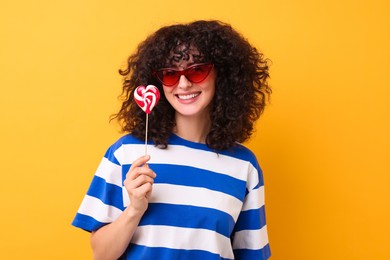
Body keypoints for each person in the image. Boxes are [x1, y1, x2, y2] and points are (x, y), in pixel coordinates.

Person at [72, 20, 271, 260]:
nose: (184, 83)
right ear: (158, 83)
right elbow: (101, 256)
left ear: (223, 74)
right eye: (170, 74)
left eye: (197, 70)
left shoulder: (244, 165)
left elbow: (251, 255)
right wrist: (135, 209)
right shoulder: (125, 153)